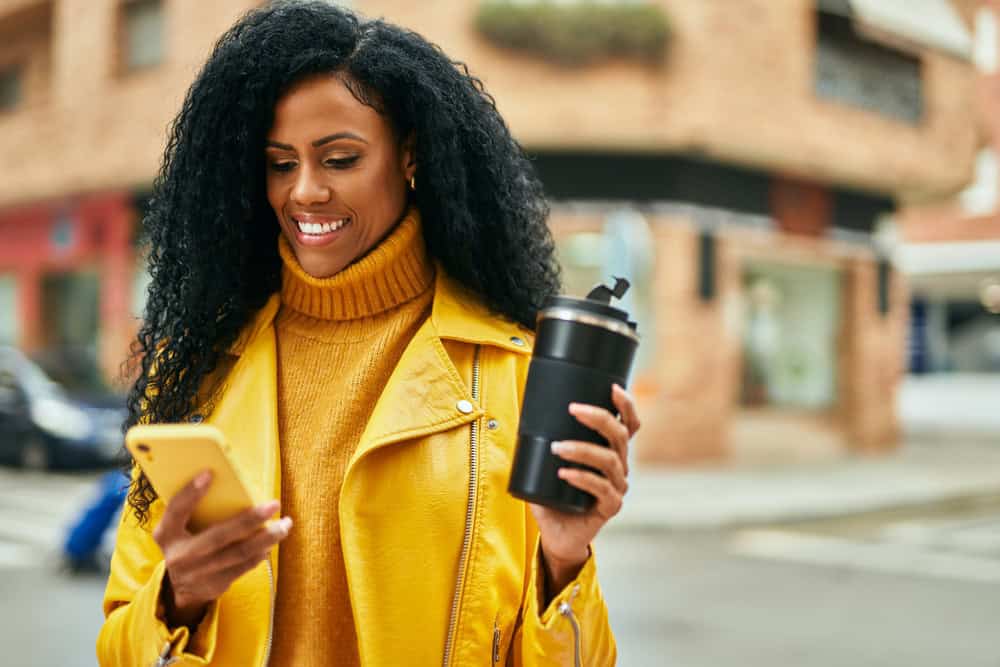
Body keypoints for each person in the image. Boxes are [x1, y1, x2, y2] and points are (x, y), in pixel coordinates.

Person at [97, 2, 640, 665]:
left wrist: (563, 558)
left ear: (410, 155)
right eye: (278, 163)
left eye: (341, 158)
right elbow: (118, 641)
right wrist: (174, 598)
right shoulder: (201, 370)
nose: (304, 191)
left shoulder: (515, 372)